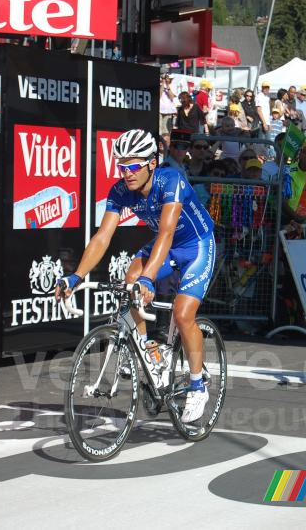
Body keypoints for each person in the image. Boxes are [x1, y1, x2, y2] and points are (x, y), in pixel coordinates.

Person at [56, 129, 216, 423]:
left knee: (183, 315)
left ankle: (198, 385)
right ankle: (152, 354)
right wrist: (75, 276)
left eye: (132, 166)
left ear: (152, 163)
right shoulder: (120, 191)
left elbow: (167, 233)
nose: (126, 173)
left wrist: (149, 278)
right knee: (130, 281)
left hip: (196, 246)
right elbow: (102, 237)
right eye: (121, 166)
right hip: (163, 246)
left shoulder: (171, 181)